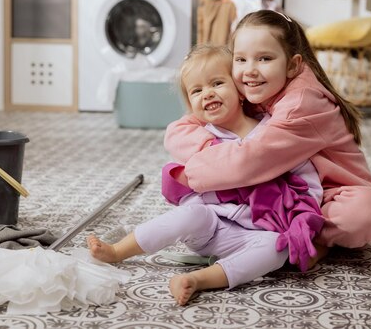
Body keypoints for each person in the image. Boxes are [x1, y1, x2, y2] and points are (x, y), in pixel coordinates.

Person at [88, 44, 324, 306]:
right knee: (193, 213)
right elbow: (187, 184)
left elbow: (307, 182)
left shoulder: (272, 132)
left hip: (255, 233)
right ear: (191, 105)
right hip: (210, 228)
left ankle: (200, 279)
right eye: (197, 91)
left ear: (241, 91)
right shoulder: (203, 140)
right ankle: (118, 250)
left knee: (276, 247)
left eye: (217, 83)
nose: (208, 93)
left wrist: (301, 220)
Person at [164, 9, 371, 253]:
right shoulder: (254, 87)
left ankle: (299, 236)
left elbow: (250, 161)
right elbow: (181, 128)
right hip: (289, 189)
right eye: (241, 59)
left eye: (264, 59)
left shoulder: (301, 104)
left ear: (293, 65)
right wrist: (210, 148)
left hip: (332, 194)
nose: (250, 70)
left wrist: (191, 174)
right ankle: (276, 229)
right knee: (239, 186)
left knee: (366, 211)